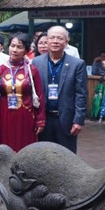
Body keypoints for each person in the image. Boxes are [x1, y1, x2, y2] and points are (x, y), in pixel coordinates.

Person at [32, 25, 88, 154]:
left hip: (66, 119)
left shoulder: (77, 64)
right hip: (44, 119)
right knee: (43, 155)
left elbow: (81, 94)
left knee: (67, 157)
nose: (55, 41)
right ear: (47, 41)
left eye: (60, 38)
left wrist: (78, 120)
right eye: (52, 38)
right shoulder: (36, 62)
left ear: (66, 41)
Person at [0, 33, 46, 152]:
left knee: (26, 147)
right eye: (12, 46)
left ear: (26, 50)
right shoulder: (0, 70)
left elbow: (40, 96)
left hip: (26, 115)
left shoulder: (32, 70)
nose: (15, 50)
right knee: (6, 147)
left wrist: (40, 120)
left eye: (19, 47)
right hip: (5, 115)